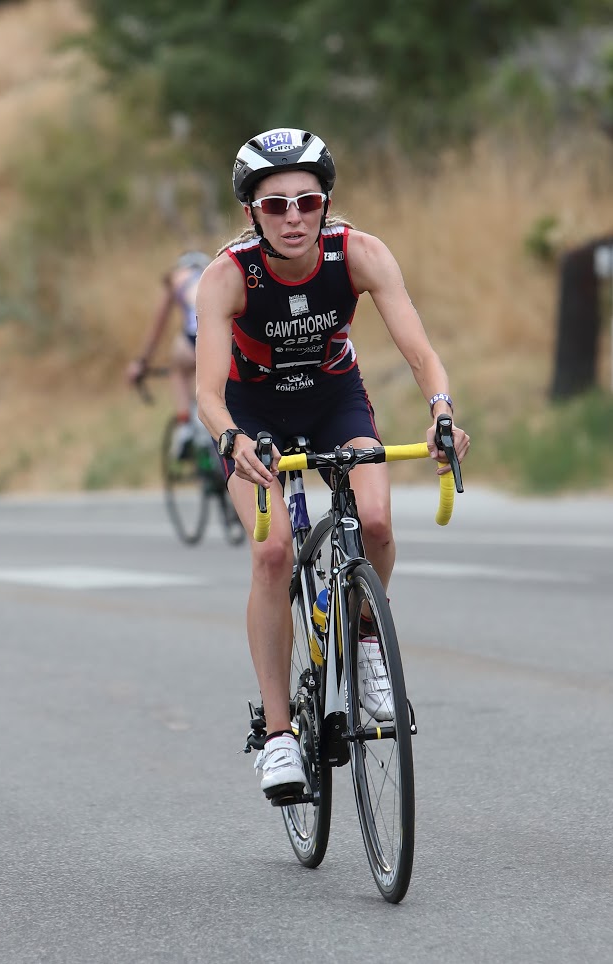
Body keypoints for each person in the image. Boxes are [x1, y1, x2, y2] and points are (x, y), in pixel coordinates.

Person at [194, 127, 470, 799]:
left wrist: (441, 413)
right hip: (250, 416)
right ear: (252, 212)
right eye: (276, 204)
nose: (294, 217)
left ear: (326, 204)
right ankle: (280, 737)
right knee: (271, 554)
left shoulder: (360, 254)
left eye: (308, 202)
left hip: (332, 401)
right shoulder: (227, 275)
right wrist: (231, 439)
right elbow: (205, 391)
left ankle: (368, 639)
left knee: (374, 522)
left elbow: (420, 353)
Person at [126, 250, 211, 456]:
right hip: (218, 338)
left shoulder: (177, 277)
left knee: (178, 368)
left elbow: (158, 325)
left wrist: (142, 361)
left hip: (191, 341)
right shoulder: (215, 274)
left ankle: (184, 426)